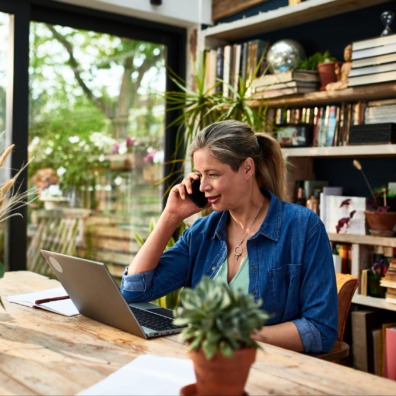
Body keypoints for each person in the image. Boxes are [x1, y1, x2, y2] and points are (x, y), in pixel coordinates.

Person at [120, 120, 338, 354]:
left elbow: (319, 330)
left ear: (247, 169)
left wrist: (237, 334)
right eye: (199, 175)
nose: (203, 186)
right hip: (196, 364)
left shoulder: (302, 227)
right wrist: (171, 216)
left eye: (213, 174)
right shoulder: (202, 233)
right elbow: (133, 292)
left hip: (267, 371)